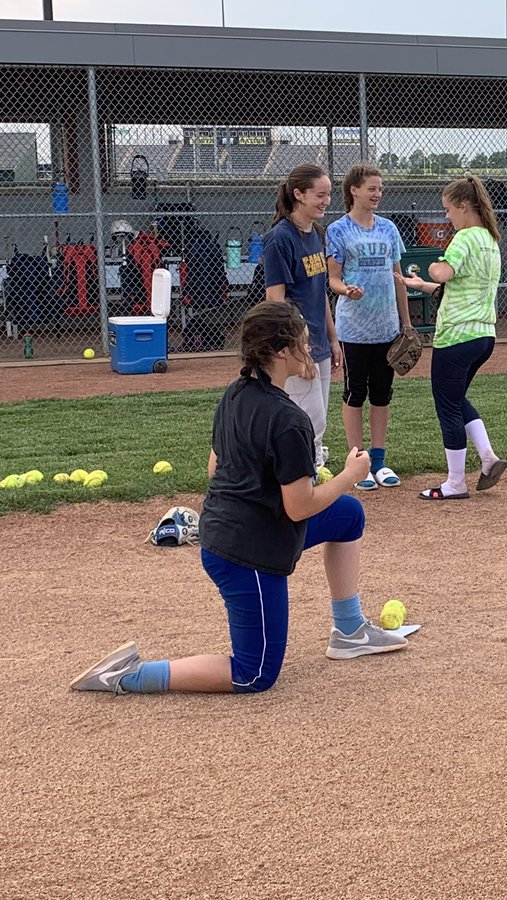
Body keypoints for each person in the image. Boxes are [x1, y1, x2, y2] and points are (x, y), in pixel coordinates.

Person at [70, 302, 407, 696]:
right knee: (254, 673)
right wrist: (351, 475)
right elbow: (299, 506)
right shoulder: (288, 420)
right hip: (247, 554)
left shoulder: (235, 393)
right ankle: (130, 675)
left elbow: (216, 469)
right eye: (302, 338)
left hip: (226, 532)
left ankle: (349, 630)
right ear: (281, 351)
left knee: (346, 515)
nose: (308, 343)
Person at [399, 175, 507, 500]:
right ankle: (487, 458)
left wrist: (432, 267)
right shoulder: (490, 239)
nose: (447, 216)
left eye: (448, 210)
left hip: (456, 337)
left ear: (463, 206)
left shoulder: (464, 238)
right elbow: (458, 286)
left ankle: (455, 483)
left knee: (446, 405)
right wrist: (419, 286)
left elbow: (443, 273)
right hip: (483, 335)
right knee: (456, 398)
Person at [326, 164, 411, 491]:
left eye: (380, 188)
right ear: (354, 191)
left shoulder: (389, 228)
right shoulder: (338, 230)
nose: (377, 194)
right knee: (354, 393)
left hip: (386, 326)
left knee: (381, 395)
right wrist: (346, 289)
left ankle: (379, 460)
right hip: (353, 329)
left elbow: (398, 279)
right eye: (371, 188)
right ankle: (357, 461)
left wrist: (405, 323)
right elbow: (332, 279)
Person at [263, 163, 339, 467]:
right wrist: (295, 348)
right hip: (297, 346)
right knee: (309, 418)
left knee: (317, 419)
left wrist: (333, 340)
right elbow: (275, 301)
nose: (326, 201)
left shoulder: (316, 234)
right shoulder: (280, 238)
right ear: (298, 194)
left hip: (318, 341)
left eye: (328, 195)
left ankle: (310, 465)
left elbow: (319, 293)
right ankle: (307, 475)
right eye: (320, 195)